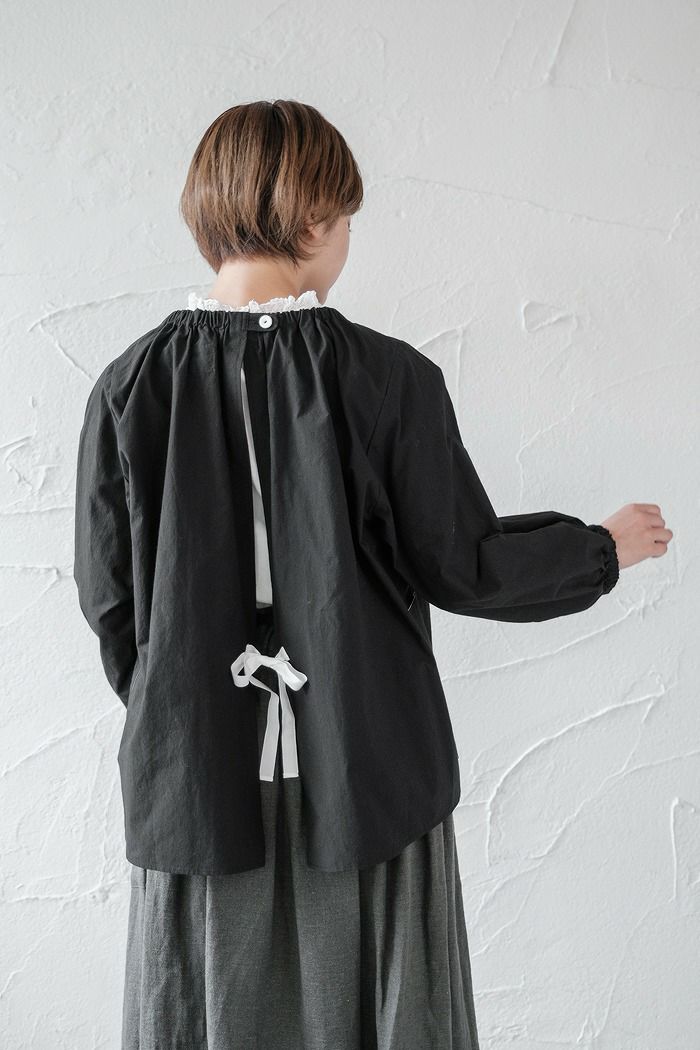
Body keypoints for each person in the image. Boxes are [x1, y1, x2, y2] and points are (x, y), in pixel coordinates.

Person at [73, 100, 672, 1050]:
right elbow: (464, 563)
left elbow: (112, 606)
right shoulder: (387, 377)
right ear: (315, 219)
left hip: (197, 785)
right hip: (369, 774)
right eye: (346, 218)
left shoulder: (128, 386)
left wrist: (186, 714)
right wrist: (600, 547)